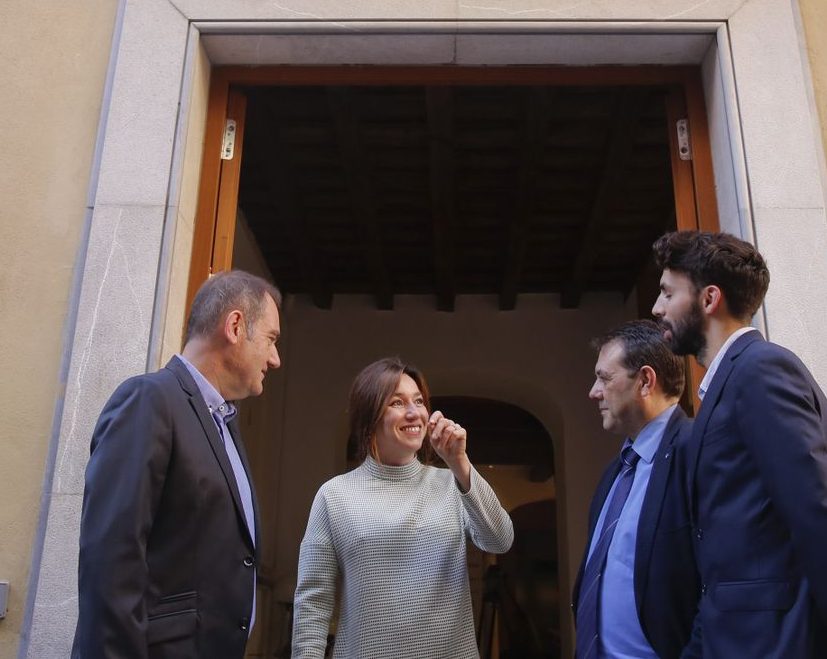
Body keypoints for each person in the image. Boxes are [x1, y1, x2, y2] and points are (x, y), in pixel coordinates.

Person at [650, 230, 827, 659]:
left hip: (776, 642)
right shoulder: (724, 385)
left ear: (709, 298)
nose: (657, 308)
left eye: (667, 293)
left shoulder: (761, 370)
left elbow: (818, 516)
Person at [72, 270, 282, 659]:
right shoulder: (149, 400)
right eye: (270, 339)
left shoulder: (225, 422)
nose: (275, 358)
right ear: (235, 326)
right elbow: (111, 563)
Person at [291, 357, 515, 659]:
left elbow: (500, 539)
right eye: (397, 403)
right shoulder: (335, 496)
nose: (414, 413)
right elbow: (313, 601)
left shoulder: (452, 483)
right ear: (369, 416)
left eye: (419, 401)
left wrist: (460, 464)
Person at [575, 321, 699, 659]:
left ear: (645, 381)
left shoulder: (699, 453)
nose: (593, 391)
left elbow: (723, 583)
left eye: (604, 377)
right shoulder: (614, 474)